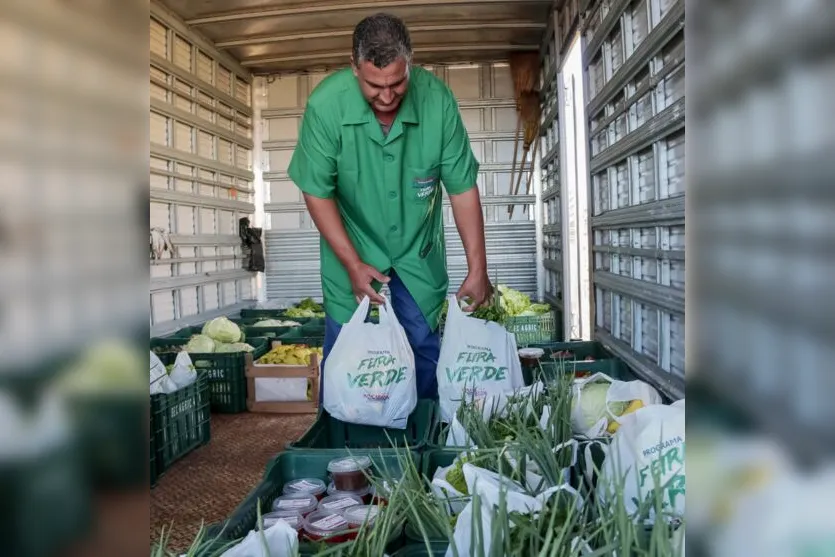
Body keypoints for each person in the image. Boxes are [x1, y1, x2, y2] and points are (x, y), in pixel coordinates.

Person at [287, 12, 492, 401]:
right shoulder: (325, 107)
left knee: (423, 358)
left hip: (417, 257)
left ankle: (424, 451)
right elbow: (316, 191)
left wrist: (478, 269)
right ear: (354, 68)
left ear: (410, 64)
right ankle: (350, 449)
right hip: (354, 251)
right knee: (354, 364)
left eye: (397, 83)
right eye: (373, 85)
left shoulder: (438, 101)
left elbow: (462, 188)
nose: (386, 96)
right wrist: (350, 263)